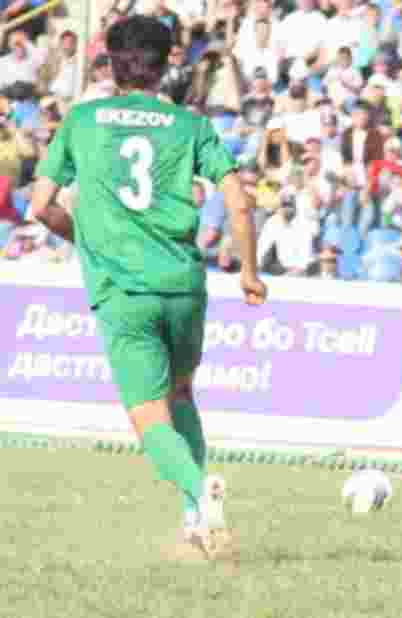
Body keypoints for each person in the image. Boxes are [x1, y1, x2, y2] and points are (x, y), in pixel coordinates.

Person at [30, 15, 267, 560]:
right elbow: (236, 199)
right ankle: (193, 516)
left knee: (146, 414)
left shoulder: (83, 120)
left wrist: (84, 237)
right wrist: (250, 272)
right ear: (167, 66)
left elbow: (41, 205)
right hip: (184, 284)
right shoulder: (190, 126)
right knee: (181, 392)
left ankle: (197, 488)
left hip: (125, 290)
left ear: (111, 63)